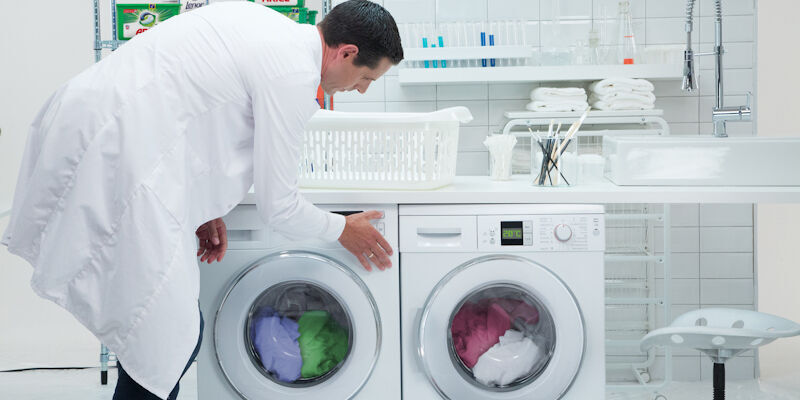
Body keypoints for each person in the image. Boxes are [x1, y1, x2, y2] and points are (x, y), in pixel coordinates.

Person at [0, 1, 403, 399]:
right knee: (164, 333)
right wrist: (342, 228)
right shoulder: (294, 74)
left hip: (94, 125)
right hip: (121, 157)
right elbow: (278, 205)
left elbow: (197, 112)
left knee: (154, 328)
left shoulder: (264, 24)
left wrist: (205, 207)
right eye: (367, 76)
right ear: (346, 52)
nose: (361, 89)